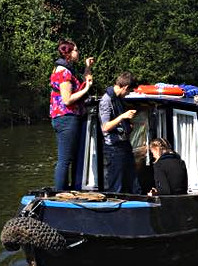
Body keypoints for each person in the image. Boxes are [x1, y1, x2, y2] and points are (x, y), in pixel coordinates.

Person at [49, 40, 94, 191]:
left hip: (65, 117)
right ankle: (59, 194)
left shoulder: (67, 69)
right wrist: (86, 89)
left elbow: (84, 80)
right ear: (68, 54)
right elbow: (67, 100)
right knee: (64, 159)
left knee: (70, 157)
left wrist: (88, 67)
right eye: (76, 50)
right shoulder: (64, 72)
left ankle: (70, 189)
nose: (78, 53)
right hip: (66, 118)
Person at [99, 71, 139, 193]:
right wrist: (123, 117)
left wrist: (128, 125)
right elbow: (105, 127)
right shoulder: (106, 101)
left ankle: (137, 200)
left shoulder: (118, 99)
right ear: (125, 87)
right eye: (128, 91)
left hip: (124, 143)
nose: (127, 94)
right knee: (116, 184)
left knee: (132, 180)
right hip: (113, 148)